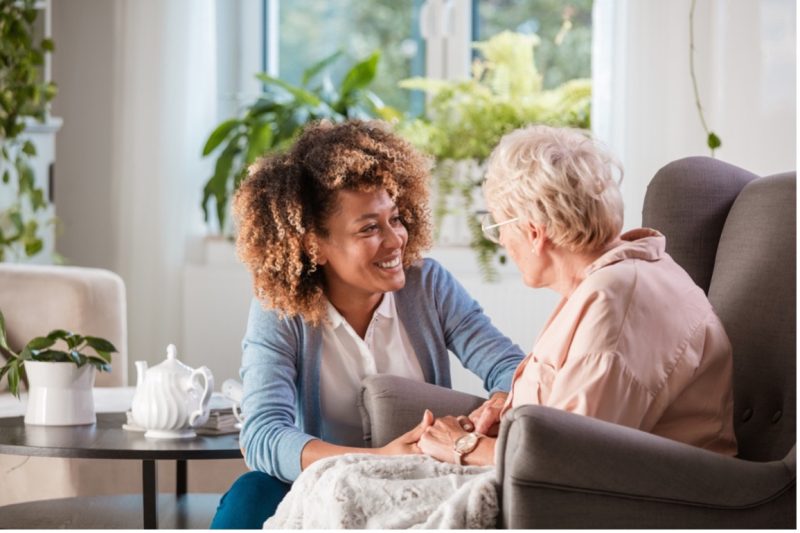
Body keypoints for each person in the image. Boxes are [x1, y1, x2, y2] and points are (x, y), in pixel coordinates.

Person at [209, 120, 525, 528]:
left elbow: (510, 368)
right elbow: (264, 435)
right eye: (369, 228)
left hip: (418, 480)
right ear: (313, 245)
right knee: (251, 495)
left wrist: (498, 403)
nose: (395, 240)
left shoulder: (428, 286)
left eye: (395, 218)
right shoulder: (280, 311)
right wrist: (378, 459)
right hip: (321, 484)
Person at [416, 125, 738, 466]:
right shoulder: (618, 277)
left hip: (648, 503)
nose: (503, 243)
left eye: (497, 228)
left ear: (533, 232)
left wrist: (463, 446)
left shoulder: (615, 301)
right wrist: (512, 411)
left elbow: (569, 460)